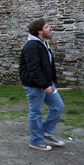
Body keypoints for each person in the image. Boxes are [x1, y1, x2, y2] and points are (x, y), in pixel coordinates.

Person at [19, 19, 65, 151]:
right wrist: (45, 85)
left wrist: (50, 82)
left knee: (57, 107)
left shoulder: (42, 43)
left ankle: (46, 132)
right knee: (35, 112)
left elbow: (47, 65)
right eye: (47, 27)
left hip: (46, 83)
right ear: (39, 31)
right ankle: (36, 141)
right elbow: (33, 68)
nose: (50, 29)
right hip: (35, 85)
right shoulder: (32, 45)